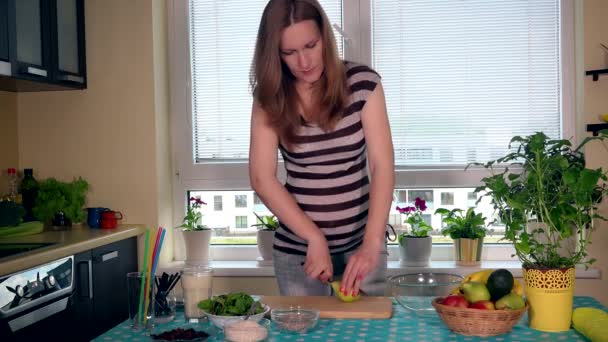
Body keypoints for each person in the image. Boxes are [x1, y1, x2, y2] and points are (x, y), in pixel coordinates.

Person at [249, 0, 394, 297]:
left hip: (362, 250)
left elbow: (382, 167)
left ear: (325, 38)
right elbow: (262, 178)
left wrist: (371, 245)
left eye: (311, 45)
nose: (304, 62)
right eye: (289, 52)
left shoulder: (363, 84)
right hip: (298, 254)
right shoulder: (269, 99)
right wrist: (314, 237)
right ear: (274, 54)